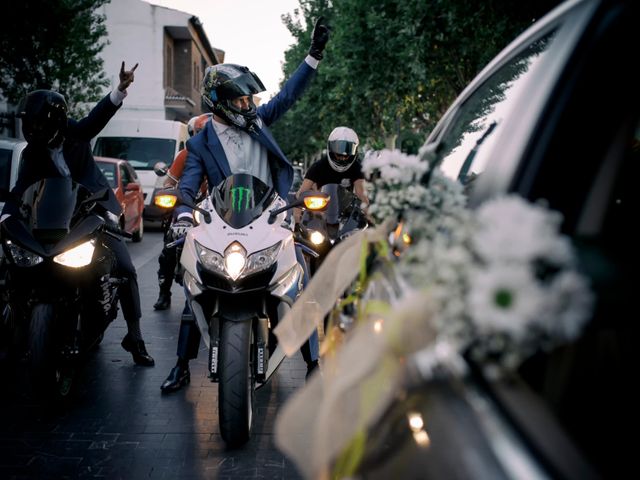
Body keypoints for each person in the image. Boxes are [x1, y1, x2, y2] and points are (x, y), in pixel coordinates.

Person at [160, 18, 331, 392]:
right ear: (220, 102)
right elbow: (188, 184)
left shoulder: (259, 121)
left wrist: (313, 56)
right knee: (195, 283)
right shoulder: (201, 142)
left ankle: (313, 363)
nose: (248, 105)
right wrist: (184, 212)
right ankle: (181, 366)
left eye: (249, 98)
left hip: (268, 214)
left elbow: (288, 95)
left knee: (298, 277)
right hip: (220, 218)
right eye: (240, 99)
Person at [1, 62, 155, 367]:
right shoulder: (32, 152)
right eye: (30, 125)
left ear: (55, 122)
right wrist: (6, 217)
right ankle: (16, 328)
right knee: (17, 264)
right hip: (54, 216)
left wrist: (120, 88)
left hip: (93, 205)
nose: (34, 131)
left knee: (125, 268)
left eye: (39, 125)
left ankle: (135, 337)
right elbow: (22, 189)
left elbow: (96, 118)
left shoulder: (76, 132)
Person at [153, 113, 211, 311]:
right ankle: (164, 292)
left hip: (212, 212)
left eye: (209, 134)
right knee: (169, 247)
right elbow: (169, 182)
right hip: (185, 209)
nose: (205, 139)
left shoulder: (223, 157)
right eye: (200, 134)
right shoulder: (185, 155)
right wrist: (169, 191)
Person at [294, 126, 369, 224]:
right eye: (339, 154)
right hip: (318, 212)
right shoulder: (318, 166)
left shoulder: (356, 167)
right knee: (303, 234)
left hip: (344, 215)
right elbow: (302, 193)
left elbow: (361, 193)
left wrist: (369, 216)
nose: (342, 158)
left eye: (346, 156)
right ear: (331, 149)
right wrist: (296, 221)